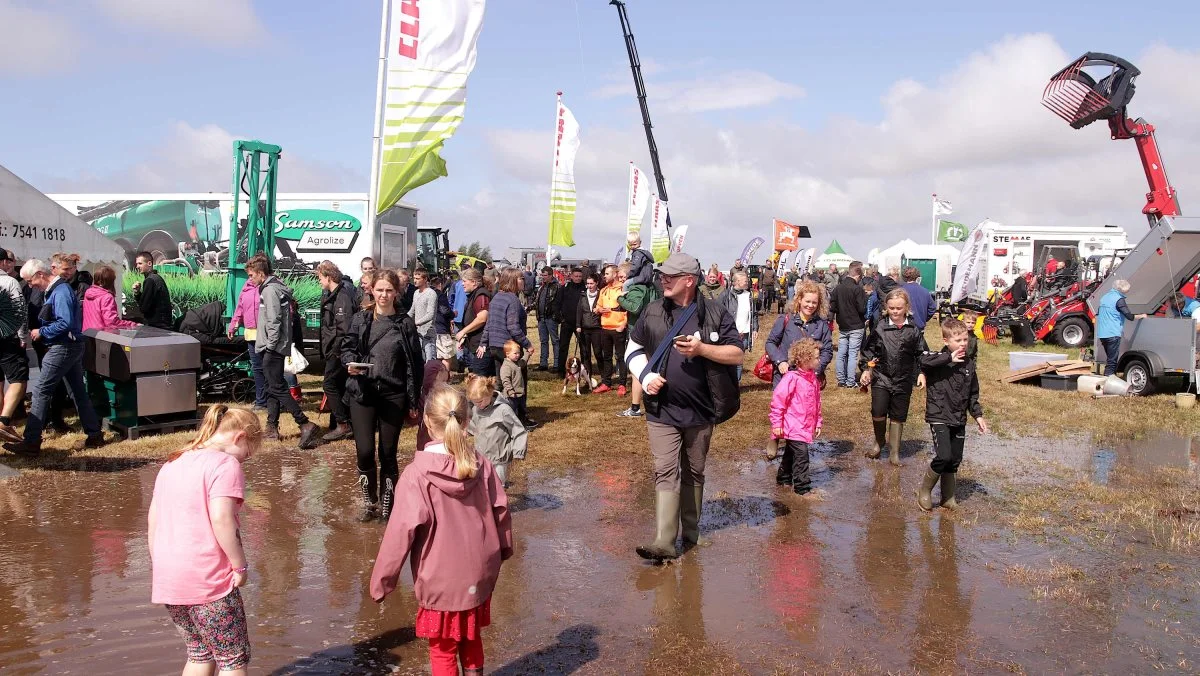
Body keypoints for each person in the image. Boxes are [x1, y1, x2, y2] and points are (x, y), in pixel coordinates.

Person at [370, 383, 513, 676]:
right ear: (467, 421)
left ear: (425, 422)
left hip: (439, 581)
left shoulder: (416, 475)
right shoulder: (482, 465)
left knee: (443, 649)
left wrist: (383, 581)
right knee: (472, 639)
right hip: (478, 574)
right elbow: (502, 510)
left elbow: (400, 533)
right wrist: (504, 549)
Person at [625, 252, 743, 561]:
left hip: (702, 411)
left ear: (688, 281)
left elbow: (737, 354)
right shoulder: (651, 311)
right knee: (665, 470)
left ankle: (692, 535)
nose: (662, 279)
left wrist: (703, 349)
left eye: (669, 276)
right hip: (661, 411)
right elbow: (633, 349)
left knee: (694, 471)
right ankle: (664, 540)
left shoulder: (715, 313)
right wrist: (646, 375)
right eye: (662, 274)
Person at [148, 405, 261, 676]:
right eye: (247, 454)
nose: (243, 461)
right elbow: (222, 519)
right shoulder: (226, 464)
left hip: (170, 578)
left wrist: (160, 566)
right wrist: (240, 566)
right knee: (232, 659)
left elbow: (153, 520)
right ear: (240, 437)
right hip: (209, 579)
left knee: (200, 653)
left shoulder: (174, 460)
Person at [341, 268, 424, 521]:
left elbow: (414, 364)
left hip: (393, 394)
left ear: (396, 292)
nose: (384, 295)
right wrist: (350, 363)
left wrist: (413, 400)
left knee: (388, 451)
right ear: (371, 290)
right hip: (363, 392)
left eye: (389, 290)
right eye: (380, 290)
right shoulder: (360, 320)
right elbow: (347, 348)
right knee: (365, 451)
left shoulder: (405, 324)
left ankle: (389, 503)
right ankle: (370, 502)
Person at [5, 257, 107, 456]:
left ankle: (31, 442)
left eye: (31, 281)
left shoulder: (60, 292)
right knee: (78, 391)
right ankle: (94, 434)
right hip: (71, 345)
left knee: (41, 390)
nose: (31, 286)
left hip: (63, 346)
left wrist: (42, 332)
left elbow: (65, 323)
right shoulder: (59, 290)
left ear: (40, 275)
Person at [248, 254, 319, 448]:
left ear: (261, 274)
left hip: (272, 347)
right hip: (275, 346)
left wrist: (270, 346)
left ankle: (304, 423)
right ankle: (272, 427)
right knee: (273, 386)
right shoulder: (274, 287)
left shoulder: (269, 291)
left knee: (277, 387)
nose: (250, 279)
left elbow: (274, 320)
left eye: (252, 275)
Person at [917, 318, 989, 512]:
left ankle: (947, 498)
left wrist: (978, 415)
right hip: (939, 415)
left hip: (958, 417)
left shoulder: (969, 364)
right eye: (958, 340)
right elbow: (923, 360)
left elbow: (973, 393)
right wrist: (948, 358)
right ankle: (924, 491)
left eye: (965, 339)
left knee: (954, 459)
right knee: (943, 455)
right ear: (946, 340)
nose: (963, 344)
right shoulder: (937, 358)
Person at [859, 288, 928, 466]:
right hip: (881, 376)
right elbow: (868, 351)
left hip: (903, 378)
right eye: (891, 308)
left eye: (899, 308)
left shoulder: (914, 329)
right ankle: (879, 441)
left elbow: (921, 353)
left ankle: (894, 453)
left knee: (898, 415)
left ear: (906, 307)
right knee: (878, 411)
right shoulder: (880, 327)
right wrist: (866, 369)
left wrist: (921, 372)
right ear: (886, 308)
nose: (895, 312)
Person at [769, 339, 823, 495]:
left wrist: (817, 422)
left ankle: (784, 478)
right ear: (805, 359)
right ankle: (802, 488)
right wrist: (777, 423)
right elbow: (778, 401)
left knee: (791, 452)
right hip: (792, 424)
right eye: (816, 357)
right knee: (801, 455)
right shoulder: (791, 378)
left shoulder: (813, 378)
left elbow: (816, 402)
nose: (819, 360)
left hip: (804, 424)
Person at [764, 280, 834, 389]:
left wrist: (816, 369)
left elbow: (827, 350)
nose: (810, 305)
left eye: (814, 302)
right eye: (807, 301)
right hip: (784, 377)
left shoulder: (822, 324)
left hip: (808, 381)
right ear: (800, 300)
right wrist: (780, 361)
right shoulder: (785, 320)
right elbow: (770, 343)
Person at [465, 375, 528, 488]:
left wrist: (518, 451)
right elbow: (474, 427)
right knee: (483, 484)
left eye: (480, 401)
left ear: (489, 393)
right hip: (482, 455)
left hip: (500, 456)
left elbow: (517, 429)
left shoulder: (503, 410)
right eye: (474, 402)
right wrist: (465, 429)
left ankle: (500, 503)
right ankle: (487, 504)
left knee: (498, 485)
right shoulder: (476, 409)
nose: (477, 405)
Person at [317, 261, 356, 442]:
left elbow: (344, 327)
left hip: (338, 350)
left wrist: (337, 351)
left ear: (329, 277)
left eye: (320, 278)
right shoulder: (330, 295)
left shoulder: (342, 297)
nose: (319, 281)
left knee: (329, 384)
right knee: (339, 386)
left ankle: (343, 424)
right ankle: (341, 422)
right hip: (332, 348)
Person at [481, 268, 534, 377]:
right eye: (521, 278)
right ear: (512, 280)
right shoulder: (512, 300)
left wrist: (484, 343)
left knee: (502, 381)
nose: (523, 281)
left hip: (495, 346)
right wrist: (528, 345)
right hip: (509, 347)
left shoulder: (496, 297)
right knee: (517, 382)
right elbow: (513, 327)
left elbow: (489, 323)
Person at [0, 248, 28, 443]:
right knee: (19, 378)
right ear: (3, 262)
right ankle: (3, 421)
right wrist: (23, 336)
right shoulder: (9, 282)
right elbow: (20, 312)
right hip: (6, 337)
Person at [228, 276, 268, 411]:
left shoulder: (269, 286)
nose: (250, 277)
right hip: (251, 334)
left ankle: (275, 400)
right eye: (249, 275)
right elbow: (240, 308)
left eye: (252, 274)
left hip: (266, 334)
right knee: (257, 368)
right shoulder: (246, 287)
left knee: (270, 368)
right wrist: (233, 325)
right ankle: (261, 401)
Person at [1096, 279, 1147, 376]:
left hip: (1102, 333)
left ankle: (1110, 377)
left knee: (1110, 358)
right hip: (1113, 333)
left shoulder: (1105, 297)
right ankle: (1108, 380)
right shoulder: (1119, 299)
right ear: (1122, 289)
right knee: (1112, 360)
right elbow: (1129, 316)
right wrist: (1141, 316)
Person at [831, 261, 869, 388]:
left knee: (841, 353)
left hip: (843, 325)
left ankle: (841, 379)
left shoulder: (838, 288)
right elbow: (862, 309)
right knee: (853, 354)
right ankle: (850, 381)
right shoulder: (857, 289)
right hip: (856, 325)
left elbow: (833, 306)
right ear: (858, 275)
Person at [718, 270, 757, 382]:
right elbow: (718, 313)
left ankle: (736, 385)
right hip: (729, 333)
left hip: (744, 334)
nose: (747, 282)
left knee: (738, 360)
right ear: (737, 282)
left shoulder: (749, 296)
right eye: (745, 281)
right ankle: (726, 382)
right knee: (727, 359)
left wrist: (754, 329)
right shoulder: (725, 295)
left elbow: (754, 314)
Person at [595, 264, 629, 395]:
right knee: (606, 357)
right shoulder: (603, 290)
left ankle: (622, 384)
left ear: (615, 274)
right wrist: (599, 310)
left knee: (620, 357)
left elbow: (628, 309)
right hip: (605, 328)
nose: (604, 276)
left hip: (618, 328)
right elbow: (598, 306)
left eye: (607, 274)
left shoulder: (622, 289)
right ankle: (606, 383)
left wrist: (623, 325)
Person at [454, 269, 492, 376]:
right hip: (474, 343)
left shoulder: (481, 296)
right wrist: (465, 336)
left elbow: (482, 318)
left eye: (465, 281)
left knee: (480, 380)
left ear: (474, 282)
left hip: (482, 346)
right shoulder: (474, 294)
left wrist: (463, 331)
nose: (462, 284)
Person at [82, 265, 140, 332]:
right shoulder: (107, 297)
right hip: (102, 335)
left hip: (88, 333)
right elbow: (111, 322)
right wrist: (133, 324)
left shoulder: (88, 292)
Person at [133, 251, 173, 330]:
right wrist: (137, 292)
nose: (137, 266)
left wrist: (137, 294)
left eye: (140, 263)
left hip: (157, 327)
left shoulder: (150, 280)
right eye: (137, 264)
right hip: (162, 325)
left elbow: (144, 308)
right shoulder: (156, 278)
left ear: (149, 264)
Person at [575, 273, 603, 387]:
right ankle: (588, 378)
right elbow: (579, 311)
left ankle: (604, 378)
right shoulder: (583, 295)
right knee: (586, 354)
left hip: (597, 328)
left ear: (596, 283)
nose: (589, 286)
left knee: (598, 353)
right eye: (588, 283)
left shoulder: (601, 294)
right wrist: (578, 325)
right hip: (585, 328)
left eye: (591, 283)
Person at [415, 361, 450, 451]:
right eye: (442, 381)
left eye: (446, 381)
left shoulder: (445, 396)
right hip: (427, 437)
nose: (445, 385)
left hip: (444, 437)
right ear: (431, 380)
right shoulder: (423, 397)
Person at [556, 268, 585, 376]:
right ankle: (561, 370)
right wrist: (560, 318)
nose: (578, 278)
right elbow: (557, 303)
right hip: (567, 322)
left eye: (580, 276)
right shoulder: (564, 288)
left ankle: (584, 369)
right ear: (571, 276)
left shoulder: (585, 288)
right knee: (563, 347)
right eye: (576, 276)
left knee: (584, 347)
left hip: (581, 324)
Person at [499, 340, 534, 428]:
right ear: (507, 354)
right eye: (515, 353)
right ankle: (511, 427)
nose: (518, 355)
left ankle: (523, 426)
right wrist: (510, 391)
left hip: (520, 393)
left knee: (522, 411)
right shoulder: (506, 366)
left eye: (518, 353)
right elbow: (505, 380)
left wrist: (528, 353)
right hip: (512, 396)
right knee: (512, 412)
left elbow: (523, 361)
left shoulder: (517, 362)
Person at [533, 266, 561, 372]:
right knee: (543, 341)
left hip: (551, 318)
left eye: (545, 275)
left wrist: (556, 316)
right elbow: (538, 301)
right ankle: (543, 364)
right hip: (541, 318)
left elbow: (558, 303)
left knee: (555, 341)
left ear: (550, 275)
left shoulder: (557, 286)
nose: (543, 277)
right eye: (542, 275)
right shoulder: (542, 287)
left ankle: (556, 364)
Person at [409, 269, 438, 362]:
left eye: (418, 278)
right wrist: (403, 319)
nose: (415, 280)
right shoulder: (416, 293)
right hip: (418, 333)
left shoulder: (431, 294)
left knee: (430, 361)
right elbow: (412, 310)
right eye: (414, 278)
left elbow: (430, 314)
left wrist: (416, 323)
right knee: (421, 361)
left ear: (425, 279)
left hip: (428, 332)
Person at [430, 276, 457, 373]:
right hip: (441, 328)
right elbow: (444, 310)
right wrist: (453, 314)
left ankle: (436, 377)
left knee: (434, 354)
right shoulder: (440, 295)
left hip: (429, 329)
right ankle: (445, 378)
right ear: (440, 285)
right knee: (446, 355)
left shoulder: (426, 294)